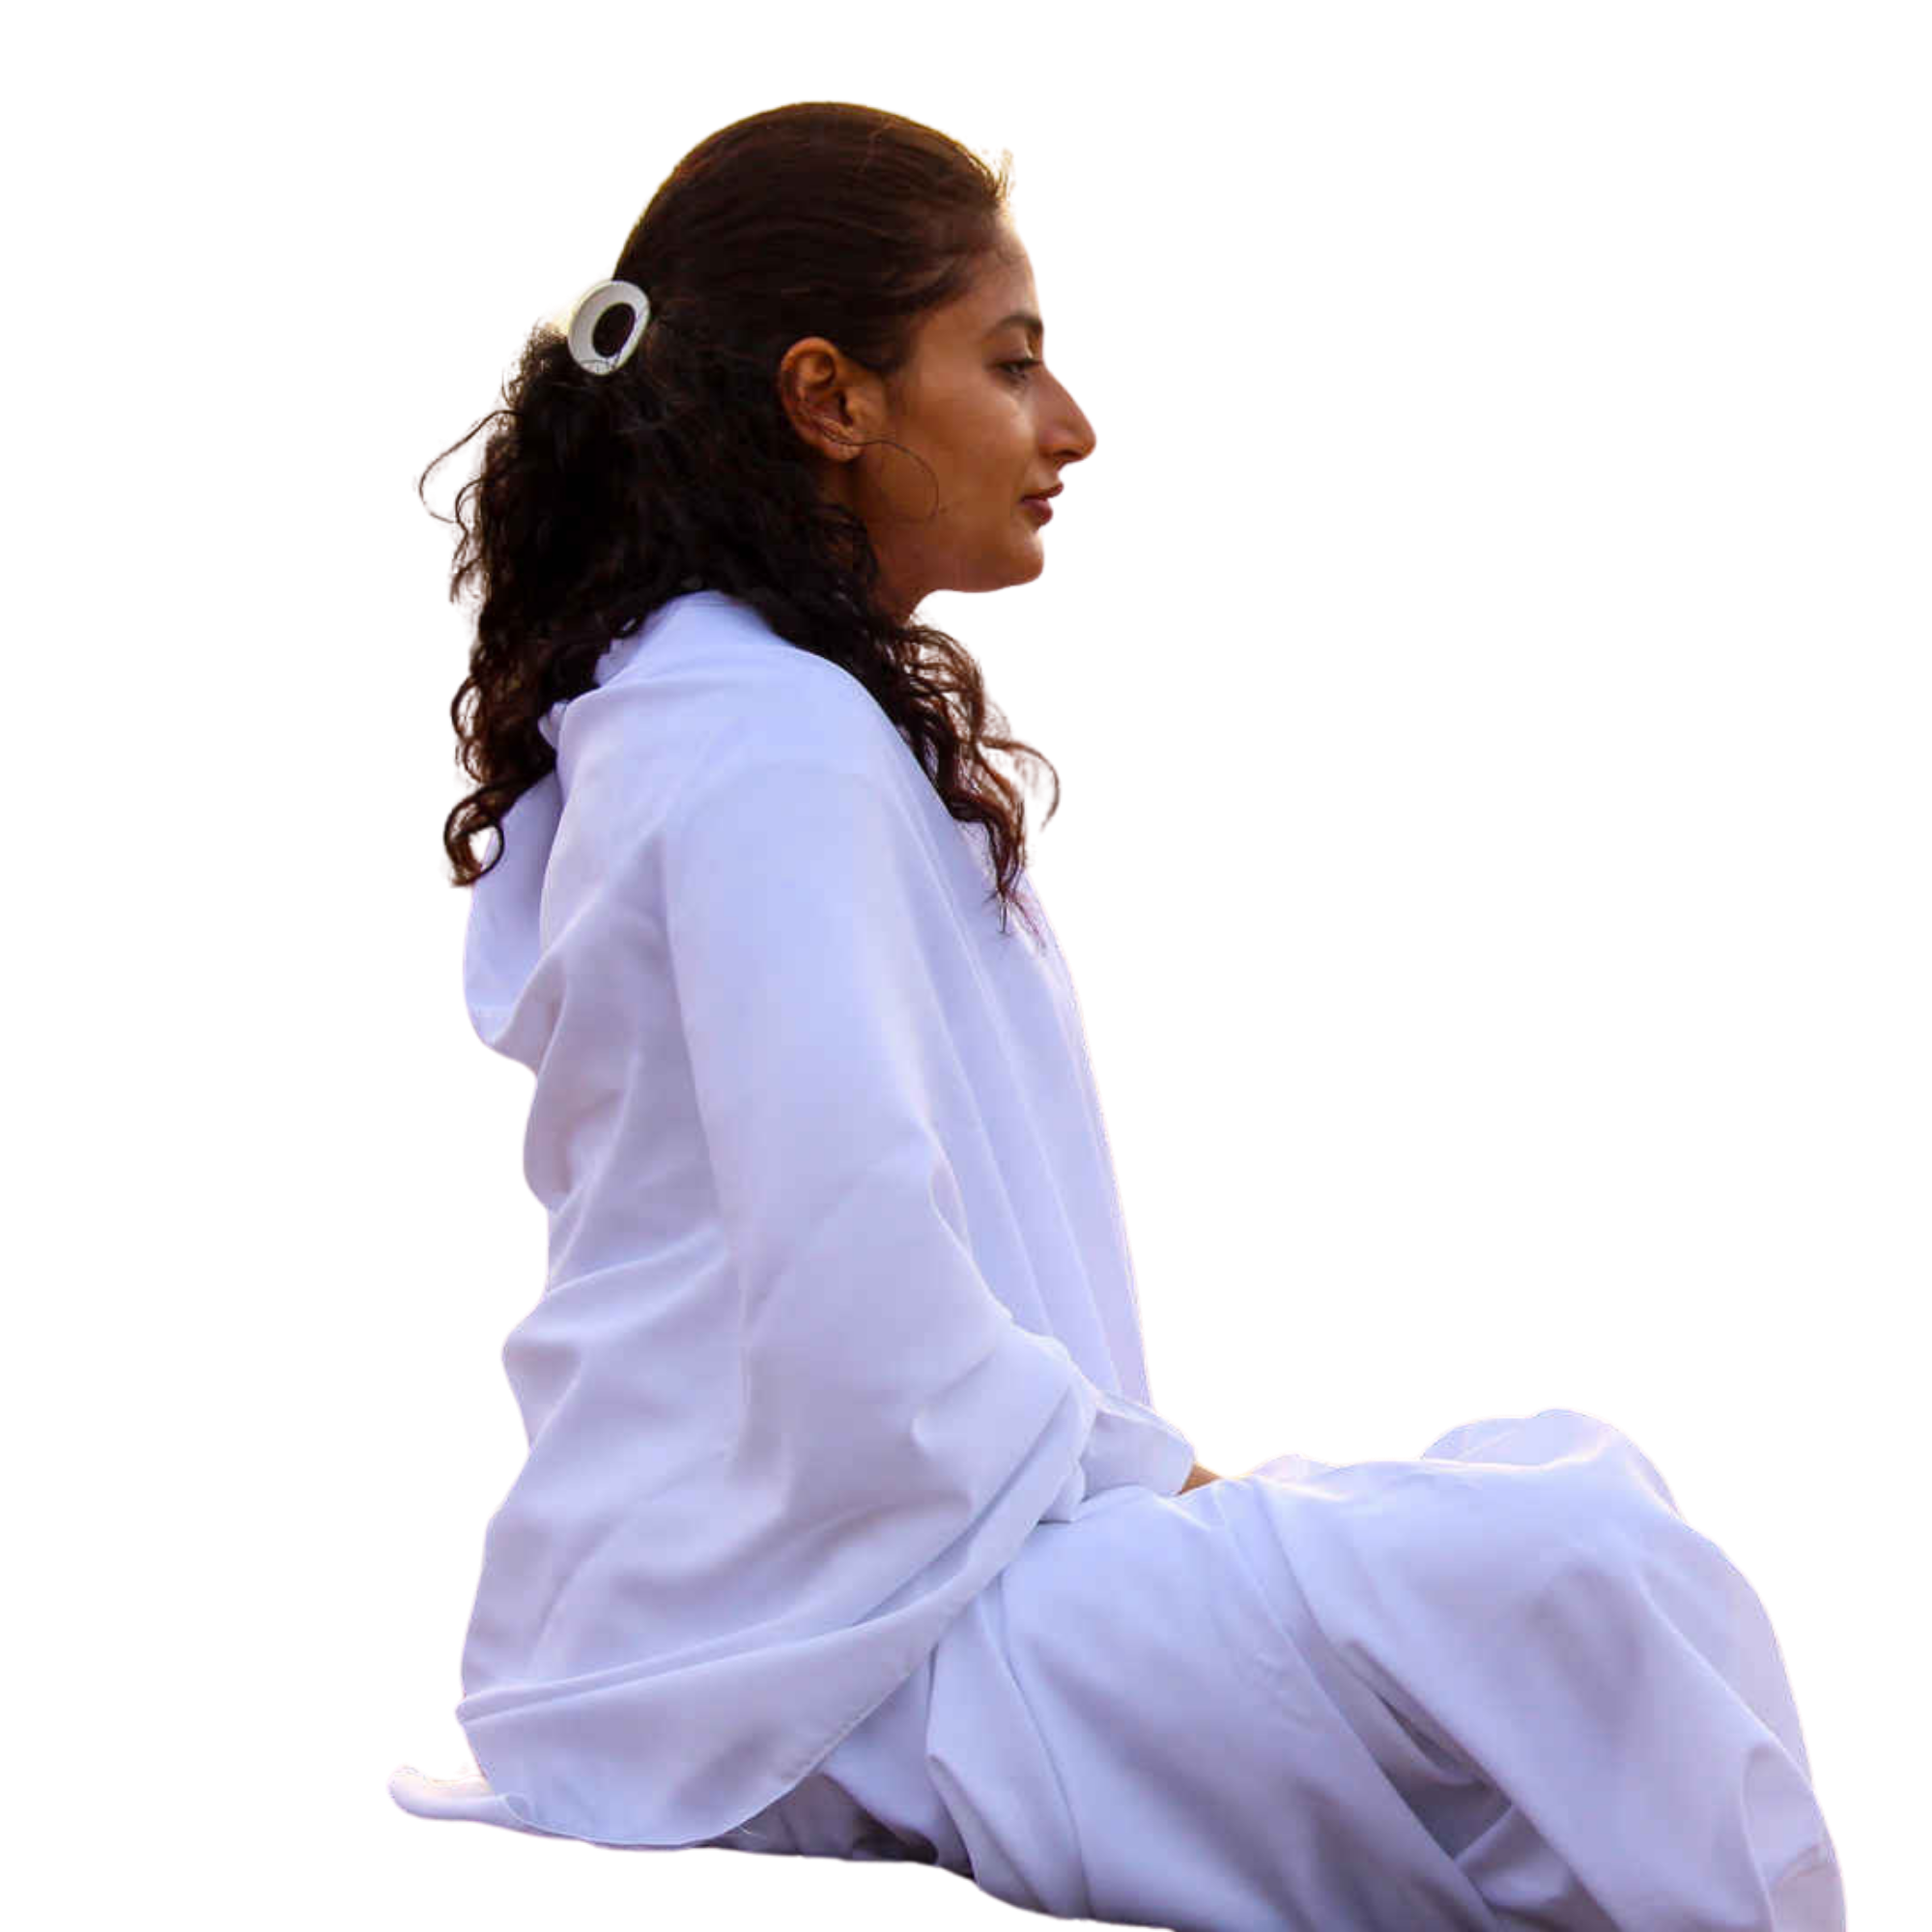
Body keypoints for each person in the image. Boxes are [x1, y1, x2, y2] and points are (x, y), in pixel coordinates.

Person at [391, 101, 1845, 1929]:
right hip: (800, 1649)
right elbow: (853, 1290)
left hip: (896, 1571)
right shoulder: (759, 732)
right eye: (1010, 364)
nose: (1070, 424)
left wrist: (1151, 1500)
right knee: (1574, 1575)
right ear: (829, 398)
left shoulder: (763, 708)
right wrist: (1166, 1486)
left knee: (1584, 1547)